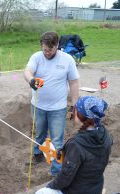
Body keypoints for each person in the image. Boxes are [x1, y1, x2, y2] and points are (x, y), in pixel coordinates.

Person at [23, 31, 79, 176]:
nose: (47, 53)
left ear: (57, 45)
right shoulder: (36, 57)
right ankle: (37, 154)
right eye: (44, 50)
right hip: (38, 106)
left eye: (50, 50)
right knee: (39, 134)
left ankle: (56, 172)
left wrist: (74, 104)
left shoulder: (67, 60)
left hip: (58, 109)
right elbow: (28, 71)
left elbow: (73, 82)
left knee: (57, 141)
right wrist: (31, 80)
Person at [34, 96, 112, 194]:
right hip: (96, 191)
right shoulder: (106, 135)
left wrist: (50, 186)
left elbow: (65, 176)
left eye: (75, 110)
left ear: (81, 115)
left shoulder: (76, 144)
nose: (73, 112)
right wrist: (65, 154)